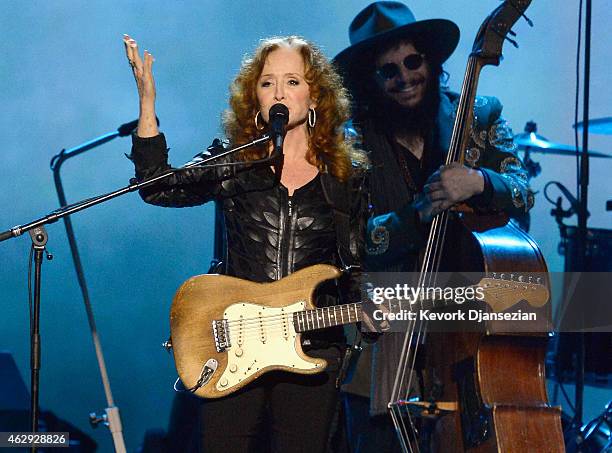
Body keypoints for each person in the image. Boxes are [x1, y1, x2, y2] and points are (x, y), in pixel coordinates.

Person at [123, 34, 368, 452]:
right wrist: (147, 101)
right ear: (254, 97)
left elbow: (354, 267)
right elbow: (158, 187)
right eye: (268, 82)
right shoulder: (236, 160)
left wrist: (368, 313)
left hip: (314, 348)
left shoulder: (346, 178)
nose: (279, 92)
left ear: (314, 97)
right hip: (233, 344)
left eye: (293, 81)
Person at [333, 2, 534, 451]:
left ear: (431, 60)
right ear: (371, 80)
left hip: (467, 325)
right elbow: (347, 244)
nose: (404, 78)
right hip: (387, 333)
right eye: (389, 71)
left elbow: (523, 195)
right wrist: (415, 214)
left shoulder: (478, 116)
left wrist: (480, 181)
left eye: (412, 62)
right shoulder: (349, 143)